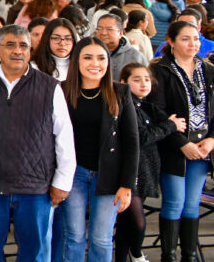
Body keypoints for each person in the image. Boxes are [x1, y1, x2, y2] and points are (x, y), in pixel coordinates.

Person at [0, 25, 75, 262]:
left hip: (34, 188)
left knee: (34, 251)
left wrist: (62, 182)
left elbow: (64, 138)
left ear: (31, 49)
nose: (17, 51)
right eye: (10, 45)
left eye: (23, 45)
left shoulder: (50, 87)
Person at [57, 36, 138, 262]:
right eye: (88, 57)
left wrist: (126, 185)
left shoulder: (120, 92)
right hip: (73, 175)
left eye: (101, 58)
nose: (95, 63)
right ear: (76, 61)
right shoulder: (62, 91)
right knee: (74, 236)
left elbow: (131, 141)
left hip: (109, 177)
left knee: (101, 239)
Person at [149, 20, 214, 262]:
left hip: (202, 148)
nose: (193, 44)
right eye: (185, 38)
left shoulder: (208, 69)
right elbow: (155, 111)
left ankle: (190, 255)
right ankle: (169, 255)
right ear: (171, 41)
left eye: (196, 39)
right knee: (174, 202)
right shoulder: (160, 69)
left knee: (192, 204)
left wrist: (211, 140)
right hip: (173, 147)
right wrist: (181, 143)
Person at [116, 63, 181, 262]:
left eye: (146, 79)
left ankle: (123, 256)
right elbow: (142, 137)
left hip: (146, 170)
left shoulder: (145, 105)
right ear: (124, 82)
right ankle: (137, 254)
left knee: (127, 224)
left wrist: (169, 123)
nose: (144, 83)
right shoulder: (127, 105)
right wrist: (170, 125)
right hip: (130, 172)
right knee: (137, 222)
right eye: (137, 79)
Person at [95, 12, 148, 78]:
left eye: (109, 29)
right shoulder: (88, 51)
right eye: (99, 28)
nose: (103, 33)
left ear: (120, 33)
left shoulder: (135, 56)